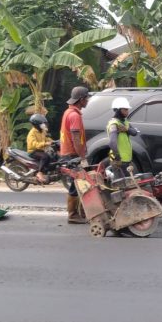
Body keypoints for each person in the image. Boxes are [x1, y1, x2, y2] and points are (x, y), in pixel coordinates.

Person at [60, 86, 91, 224]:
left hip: (69, 153)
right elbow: (76, 140)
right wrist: (82, 158)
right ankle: (73, 215)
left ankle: (79, 212)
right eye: (87, 98)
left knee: (79, 183)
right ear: (81, 99)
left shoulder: (69, 112)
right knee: (76, 183)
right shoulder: (74, 115)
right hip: (73, 155)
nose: (88, 100)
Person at [106, 97, 139, 179]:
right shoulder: (114, 124)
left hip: (126, 159)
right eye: (125, 109)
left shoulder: (125, 122)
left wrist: (126, 129)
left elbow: (134, 133)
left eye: (127, 109)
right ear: (118, 110)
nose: (127, 111)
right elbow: (112, 143)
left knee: (128, 183)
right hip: (119, 159)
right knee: (121, 184)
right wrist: (117, 157)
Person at [26, 114, 52, 184]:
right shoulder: (32, 133)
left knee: (51, 156)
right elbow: (34, 144)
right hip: (33, 151)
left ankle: (46, 173)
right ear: (36, 124)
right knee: (45, 157)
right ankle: (39, 173)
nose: (44, 125)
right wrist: (45, 144)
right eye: (42, 123)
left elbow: (46, 138)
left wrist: (52, 141)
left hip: (40, 150)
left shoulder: (42, 131)